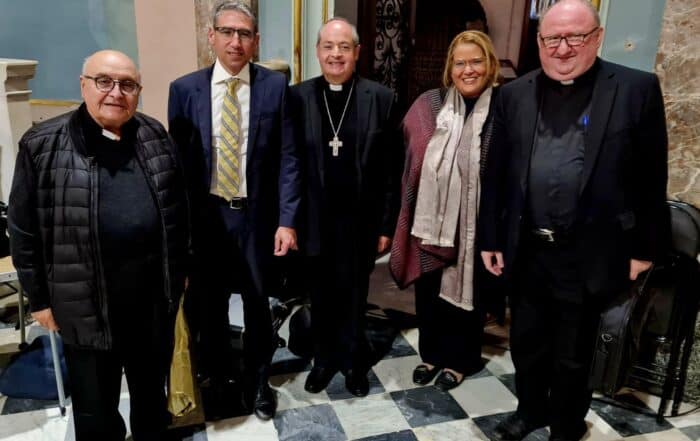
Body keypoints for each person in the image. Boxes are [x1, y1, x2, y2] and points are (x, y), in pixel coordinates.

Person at [478, 1, 669, 440]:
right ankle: (529, 411)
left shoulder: (635, 88)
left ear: (597, 38)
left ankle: (566, 424)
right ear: (539, 41)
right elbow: (496, 175)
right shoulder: (513, 94)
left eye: (575, 37)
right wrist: (491, 237)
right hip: (528, 248)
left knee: (574, 350)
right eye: (552, 39)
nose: (562, 48)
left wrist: (644, 250)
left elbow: (651, 177)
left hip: (590, 251)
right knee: (527, 342)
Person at [8, 50, 189, 441]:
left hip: (151, 309)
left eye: (128, 84)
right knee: (95, 414)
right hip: (84, 310)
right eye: (104, 81)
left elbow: (179, 211)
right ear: (83, 85)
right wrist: (39, 299)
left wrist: (180, 272)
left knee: (151, 403)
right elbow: (23, 230)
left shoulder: (154, 135)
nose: (116, 92)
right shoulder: (42, 146)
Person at [168, 1, 300, 421]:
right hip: (207, 217)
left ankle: (258, 380)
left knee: (258, 304)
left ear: (255, 41)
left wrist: (287, 221)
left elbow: (289, 158)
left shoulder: (274, 87)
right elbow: (179, 165)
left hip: (256, 218)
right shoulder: (184, 89)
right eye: (227, 32)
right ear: (212, 37)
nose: (235, 41)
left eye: (244, 34)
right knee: (210, 303)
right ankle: (219, 375)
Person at [290, 18, 401, 397]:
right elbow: (288, 164)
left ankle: (353, 361)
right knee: (319, 295)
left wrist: (386, 225)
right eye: (328, 46)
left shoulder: (381, 98)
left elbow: (391, 170)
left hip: (360, 221)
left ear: (357, 52)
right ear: (317, 52)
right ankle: (323, 360)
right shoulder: (298, 97)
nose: (335, 54)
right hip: (314, 221)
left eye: (344, 47)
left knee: (355, 296)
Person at [390, 30, 502, 392]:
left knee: (467, 296)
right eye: (460, 63)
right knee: (429, 293)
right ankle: (431, 355)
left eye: (476, 61)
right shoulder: (429, 104)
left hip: (476, 226)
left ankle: (460, 361)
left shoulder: (504, 107)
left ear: (490, 65)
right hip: (429, 222)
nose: (468, 70)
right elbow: (406, 153)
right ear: (449, 68)